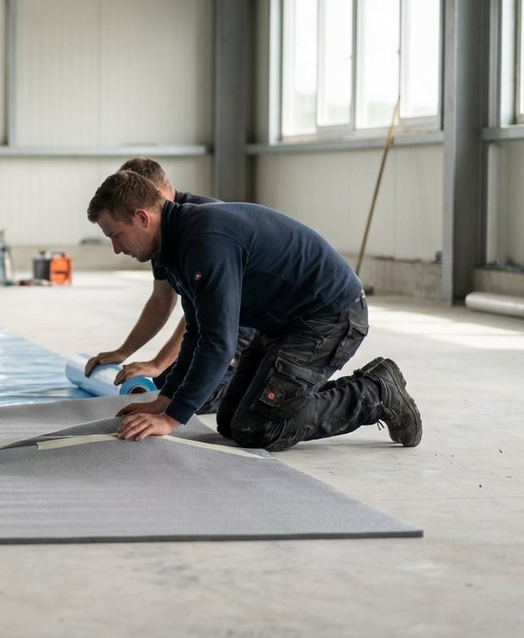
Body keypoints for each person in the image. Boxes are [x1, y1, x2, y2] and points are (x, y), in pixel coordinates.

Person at [86, 170, 422, 451]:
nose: (116, 248)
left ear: (142, 218)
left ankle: (377, 392)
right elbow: (198, 330)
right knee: (231, 420)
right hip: (284, 322)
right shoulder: (168, 249)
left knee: (258, 428)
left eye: (117, 235)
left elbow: (219, 340)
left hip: (329, 315)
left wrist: (171, 419)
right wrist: (167, 399)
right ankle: (309, 396)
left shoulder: (204, 241)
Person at [84, 157, 252, 413]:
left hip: (243, 320)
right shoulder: (159, 234)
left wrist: (159, 362)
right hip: (212, 321)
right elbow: (162, 298)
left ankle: (259, 375)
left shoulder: (200, 226)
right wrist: (124, 351)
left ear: (153, 199)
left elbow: (206, 313)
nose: (117, 248)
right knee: (165, 385)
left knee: (199, 397)